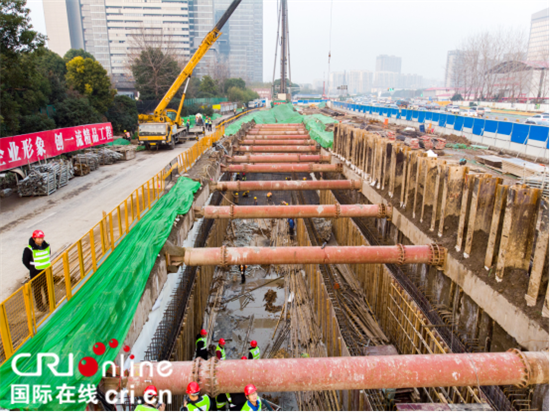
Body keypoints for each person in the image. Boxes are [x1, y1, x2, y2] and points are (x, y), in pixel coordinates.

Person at [23, 230, 51, 311]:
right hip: (36, 272)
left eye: (41, 238)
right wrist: (32, 268)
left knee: (48, 286)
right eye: (38, 238)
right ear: (34, 239)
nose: (40, 240)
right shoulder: (29, 249)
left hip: (46, 269)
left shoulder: (47, 245)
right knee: (38, 289)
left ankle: (50, 301)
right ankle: (40, 305)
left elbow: (48, 254)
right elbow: (25, 261)